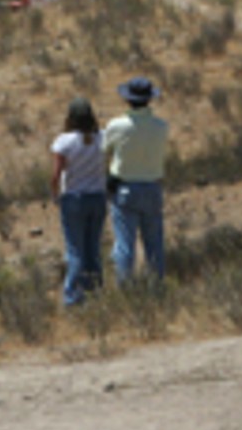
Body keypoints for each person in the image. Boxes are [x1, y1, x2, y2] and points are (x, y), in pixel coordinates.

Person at [102, 76, 169, 284]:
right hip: (152, 187)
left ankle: (124, 288)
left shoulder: (116, 126)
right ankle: (157, 286)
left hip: (125, 188)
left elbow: (103, 151)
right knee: (154, 243)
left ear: (127, 100)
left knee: (124, 245)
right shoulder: (161, 126)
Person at [50, 97, 107, 306]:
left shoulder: (63, 141)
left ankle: (73, 297)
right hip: (98, 197)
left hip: (73, 197)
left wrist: (54, 195)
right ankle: (95, 291)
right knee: (93, 248)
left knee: (75, 250)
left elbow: (56, 175)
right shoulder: (102, 137)